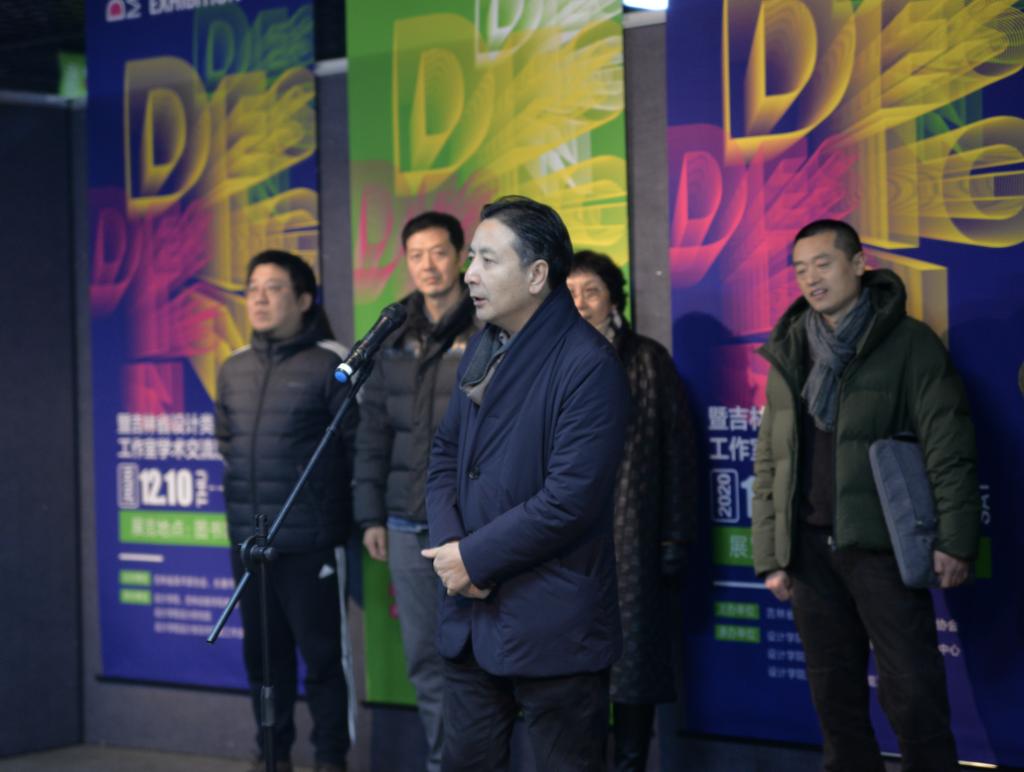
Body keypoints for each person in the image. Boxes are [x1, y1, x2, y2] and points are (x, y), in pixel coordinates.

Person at [751, 220, 980, 772]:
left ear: (858, 264)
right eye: (800, 269)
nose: (812, 278)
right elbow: (770, 459)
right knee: (834, 698)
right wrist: (771, 555)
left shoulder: (908, 343)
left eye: (823, 263)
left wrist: (955, 540)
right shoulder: (791, 348)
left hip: (884, 547)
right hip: (808, 550)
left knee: (914, 691)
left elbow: (948, 446)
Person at [421, 196, 630, 771]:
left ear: (537, 275)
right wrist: (452, 550)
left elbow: (570, 500)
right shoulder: (482, 346)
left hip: (551, 622)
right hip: (470, 620)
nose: (469, 274)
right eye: (472, 258)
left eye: (488, 261)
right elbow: (444, 455)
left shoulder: (589, 365)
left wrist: (474, 559)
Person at [215, 250, 355, 772]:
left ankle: (330, 761)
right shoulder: (233, 367)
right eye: (252, 288)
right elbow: (227, 443)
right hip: (250, 547)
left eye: (273, 288)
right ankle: (271, 757)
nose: (259, 298)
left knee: (323, 662)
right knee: (264, 662)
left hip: (310, 544)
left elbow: (357, 447)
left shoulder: (332, 363)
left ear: (303, 299)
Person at [354, 211, 476, 772]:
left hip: (472, 523)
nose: (428, 265)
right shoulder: (393, 331)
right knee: (425, 657)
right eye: (416, 255)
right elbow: (374, 431)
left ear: (461, 255)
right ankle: (441, 763)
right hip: (405, 521)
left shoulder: (489, 325)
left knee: (480, 656)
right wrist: (370, 516)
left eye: (439, 252)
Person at [567, 251, 697, 772]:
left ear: (613, 299)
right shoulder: (542, 361)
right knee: (571, 677)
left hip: (633, 538)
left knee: (632, 669)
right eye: (569, 293)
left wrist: (675, 536)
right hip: (562, 546)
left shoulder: (646, 358)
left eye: (591, 292)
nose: (579, 303)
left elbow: (678, 453)